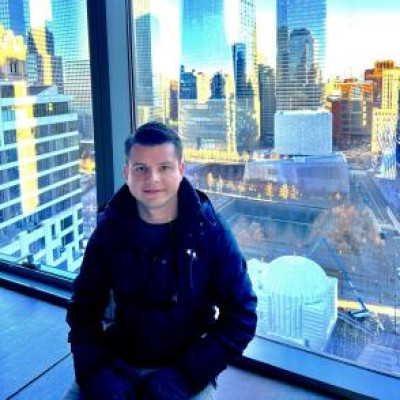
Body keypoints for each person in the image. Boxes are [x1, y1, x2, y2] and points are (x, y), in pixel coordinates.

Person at [66, 122, 257, 400]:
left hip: (186, 368)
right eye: (141, 168)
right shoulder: (110, 230)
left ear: (181, 170)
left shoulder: (210, 231)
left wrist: (183, 378)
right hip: (117, 361)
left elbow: (242, 316)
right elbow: (82, 310)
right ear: (127, 173)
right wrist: (96, 374)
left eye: (164, 167)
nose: (152, 178)